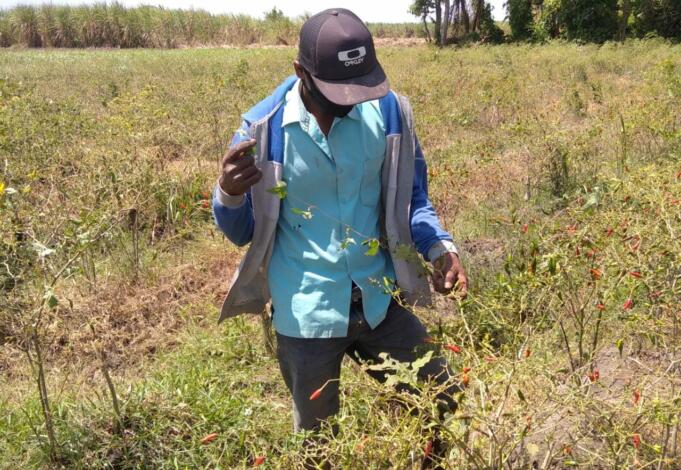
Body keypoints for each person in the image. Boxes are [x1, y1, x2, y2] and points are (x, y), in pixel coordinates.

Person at [212, 7, 468, 465]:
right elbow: (242, 231)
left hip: (377, 299)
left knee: (440, 394)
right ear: (300, 73)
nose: (350, 101)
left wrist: (439, 248)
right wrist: (230, 193)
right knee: (318, 447)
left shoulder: (390, 113)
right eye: (336, 92)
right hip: (304, 312)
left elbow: (412, 200)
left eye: (359, 87)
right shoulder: (264, 129)